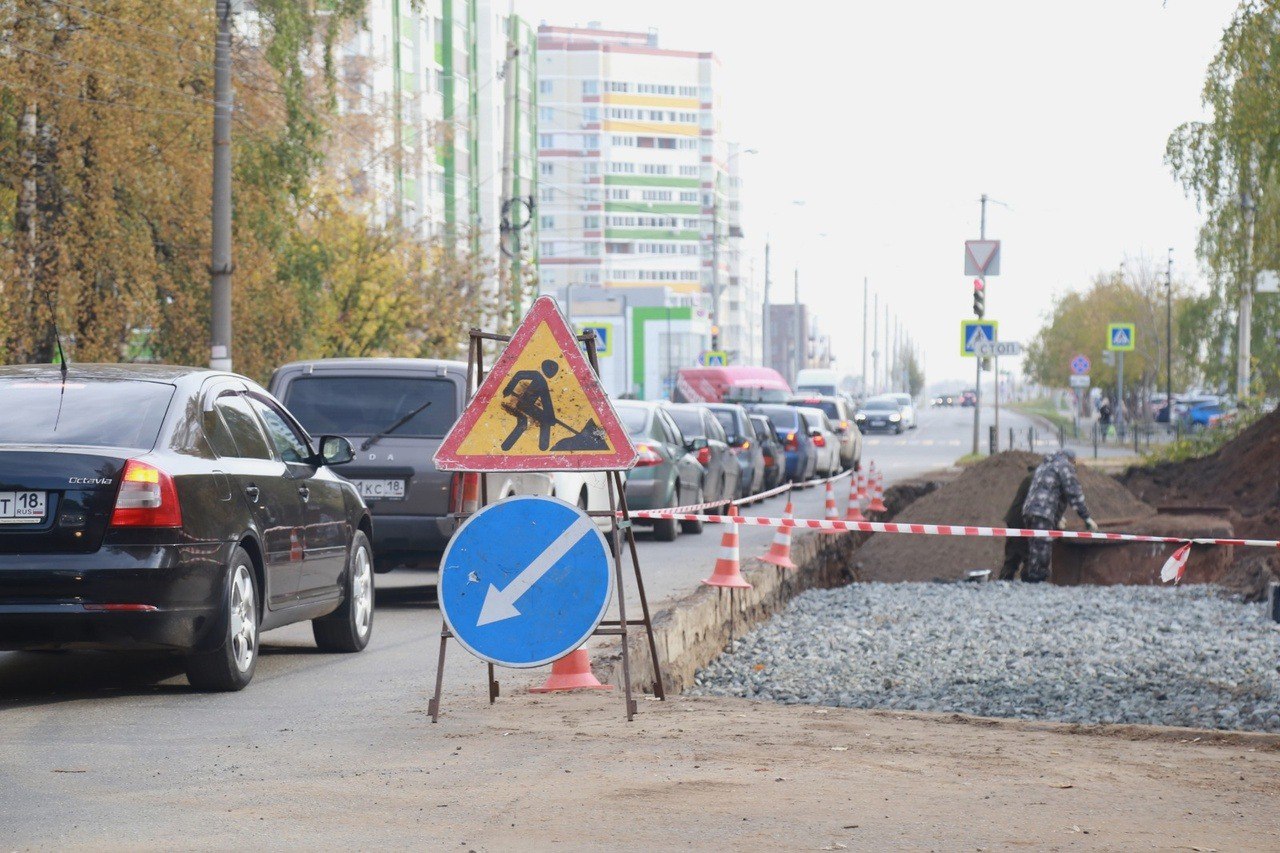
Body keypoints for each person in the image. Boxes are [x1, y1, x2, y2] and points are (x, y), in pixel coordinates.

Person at [1021, 449, 1099, 583]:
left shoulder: (1045, 465)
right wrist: (1086, 517)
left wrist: (1056, 518)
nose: (1074, 466)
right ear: (1071, 459)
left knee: (1034, 547)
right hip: (1043, 513)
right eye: (1074, 462)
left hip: (1029, 511)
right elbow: (1073, 493)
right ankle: (1038, 582)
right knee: (1042, 549)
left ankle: (1030, 580)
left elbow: (1048, 490)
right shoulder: (1064, 466)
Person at [997, 465, 1037, 580]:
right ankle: (1027, 582)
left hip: (1015, 520)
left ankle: (1005, 580)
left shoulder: (1032, 478)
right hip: (1020, 521)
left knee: (1013, 555)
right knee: (1028, 554)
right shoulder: (1034, 480)